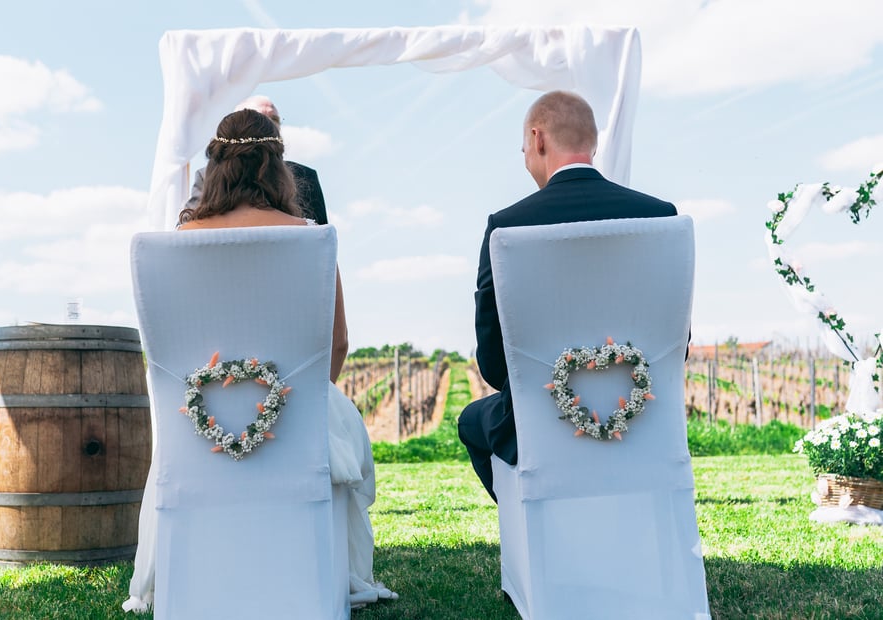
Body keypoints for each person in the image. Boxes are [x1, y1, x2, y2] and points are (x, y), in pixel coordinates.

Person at [123, 109, 396, 612]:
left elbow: (163, 354)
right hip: (292, 410)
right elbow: (337, 343)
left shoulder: (170, 246)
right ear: (278, 167)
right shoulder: (313, 238)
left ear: (215, 166)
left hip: (197, 423)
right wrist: (302, 403)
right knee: (338, 422)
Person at [457, 90, 678, 501]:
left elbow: (492, 358)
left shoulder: (507, 226)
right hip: (643, 412)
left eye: (523, 148)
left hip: (539, 422)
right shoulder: (659, 215)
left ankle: (532, 511)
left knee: (472, 421)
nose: (525, 157)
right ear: (591, 141)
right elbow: (675, 340)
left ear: (538, 139)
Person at [184, 95, 329, 225]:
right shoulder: (205, 177)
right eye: (257, 119)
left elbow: (319, 238)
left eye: (274, 119)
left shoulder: (304, 176)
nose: (268, 124)